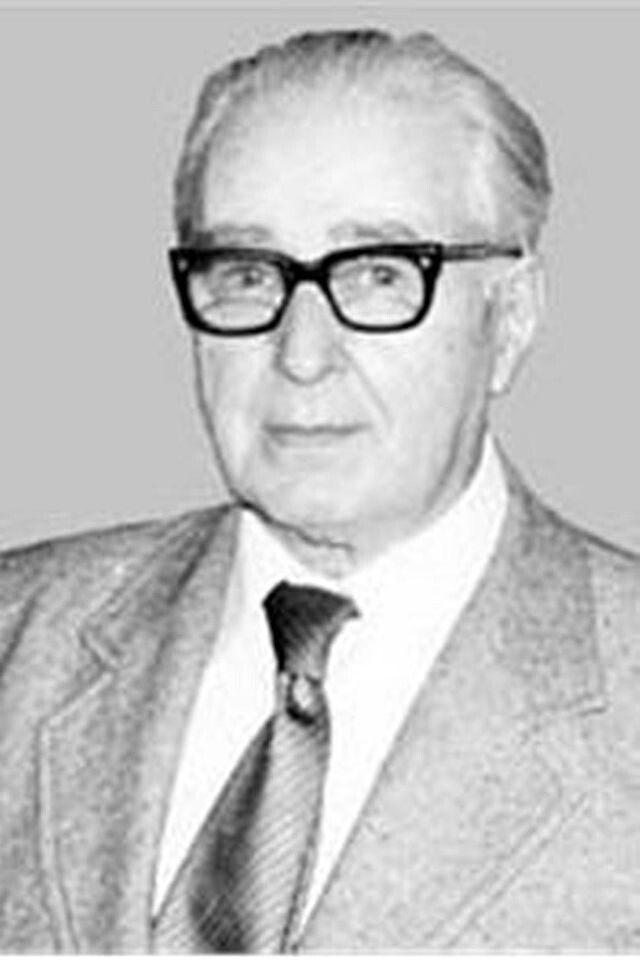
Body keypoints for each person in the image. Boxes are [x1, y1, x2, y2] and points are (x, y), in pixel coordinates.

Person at [1, 26, 640, 954]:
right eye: (246, 273)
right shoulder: (18, 639)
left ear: (510, 318)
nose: (301, 354)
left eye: (380, 274)